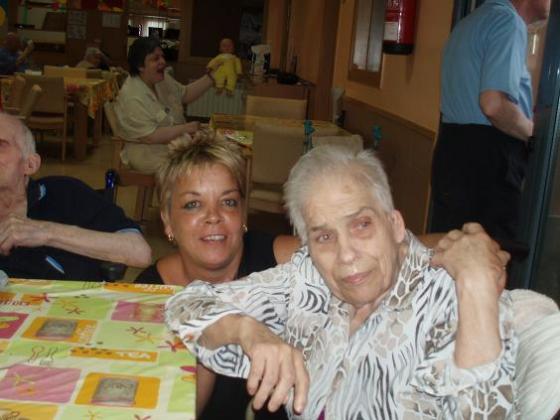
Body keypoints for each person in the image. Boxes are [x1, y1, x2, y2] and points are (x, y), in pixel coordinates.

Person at [166, 145, 517, 419]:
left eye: (361, 225)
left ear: (395, 224)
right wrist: (248, 331)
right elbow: (185, 304)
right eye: (324, 237)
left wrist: (477, 284)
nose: (346, 254)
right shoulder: (311, 280)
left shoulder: (451, 298)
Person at [135, 133, 298, 419]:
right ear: (167, 220)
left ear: (243, 214)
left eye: (229, 202)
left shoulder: (282, 262)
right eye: (193, 204)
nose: (214, 216)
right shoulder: (148, 295)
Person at [430, 0, 551, 242]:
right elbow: (493, 105)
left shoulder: (469, 23)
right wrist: (534, 133)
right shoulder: (508, 22)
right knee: (488, 252)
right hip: (487, 158)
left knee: (451, 246)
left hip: (452, 149)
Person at [0, 112, 152, 280]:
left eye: (1, 145)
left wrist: (45, 232)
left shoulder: (65, 193)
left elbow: (140, 252)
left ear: (30, 164)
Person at [114, 37, 218, 174]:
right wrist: (186, 129)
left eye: (162, 57)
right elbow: (150, 136)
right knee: (204, 167)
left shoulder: (161, 78)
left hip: (173, 145)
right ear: (140, 66)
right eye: (155, 59)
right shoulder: (132, 95)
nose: (162, 61)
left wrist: (211, 77)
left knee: (215, 155)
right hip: (147, 153)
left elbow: (185, 94)